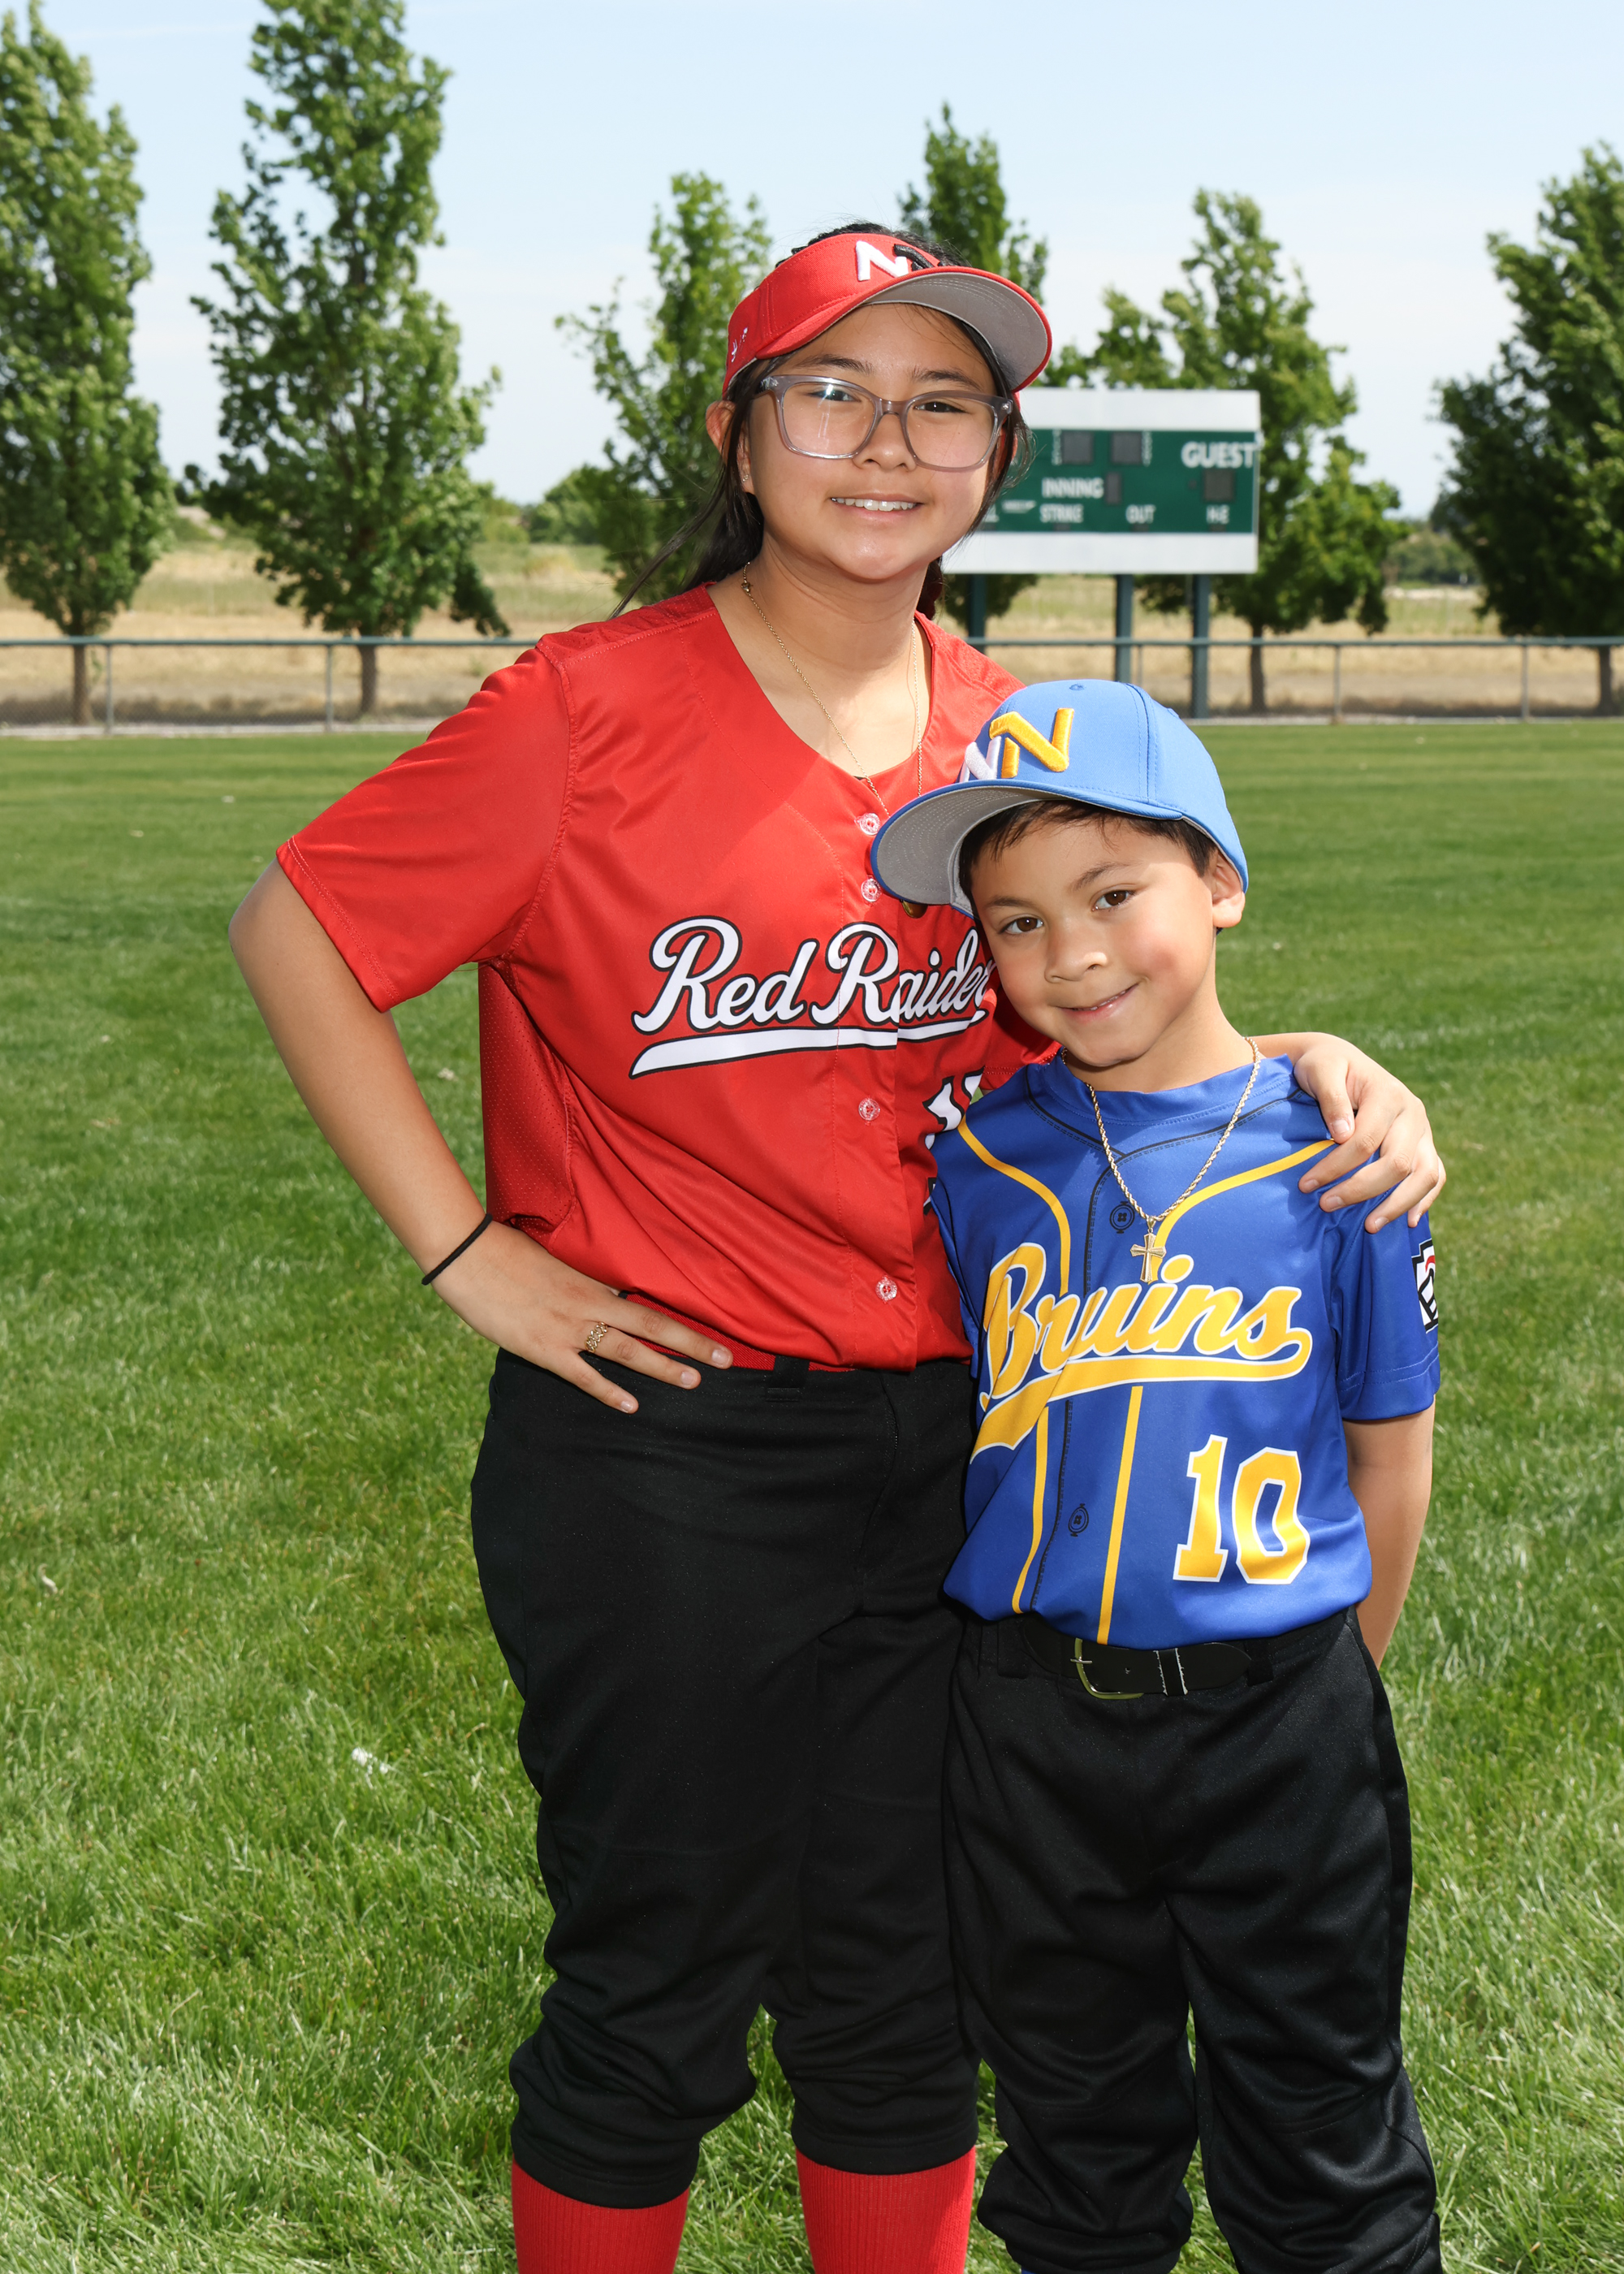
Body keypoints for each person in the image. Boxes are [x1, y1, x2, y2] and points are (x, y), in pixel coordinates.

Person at [228, 228, 1445, 2274]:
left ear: (996, 454)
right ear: (739, 433)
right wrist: (466, 1251)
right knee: (658, 1979)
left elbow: (1113, 1000)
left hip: (965, 1446)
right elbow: (297, 926)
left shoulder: (1006, 740)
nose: (887, 442)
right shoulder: (584, 708)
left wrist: (1315, 1062)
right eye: (831, 391)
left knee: (906, 1982)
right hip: (670, 1444)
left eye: (942, 402)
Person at [871, 678, 1441, 2274]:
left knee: (1322, 2143)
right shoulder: (978, 1159)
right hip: (1032, 1724)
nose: (1071, 954)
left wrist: (1330, 1684)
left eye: (1113, 893)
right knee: (1074, 2145)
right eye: (1017, 922)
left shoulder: (1344, 1151)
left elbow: (1388, 1456)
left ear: (1221, 882)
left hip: (1281, 1712)